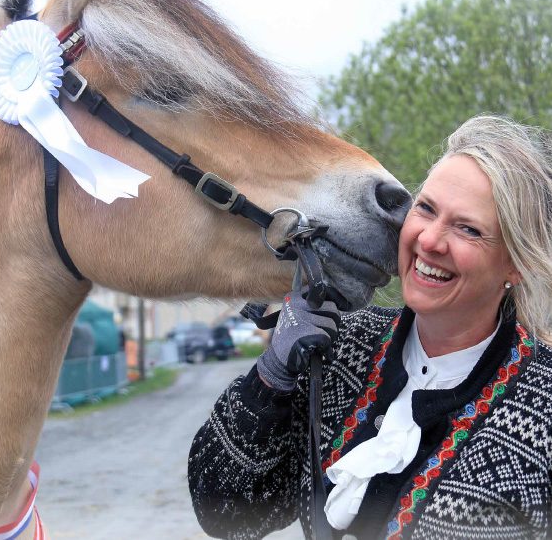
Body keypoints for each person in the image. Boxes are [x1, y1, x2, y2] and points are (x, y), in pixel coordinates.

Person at [188, 115, 552, 540]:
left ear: (516, 264)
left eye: (468, 229)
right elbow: (225, 513)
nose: (430, 240)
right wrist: (271, 377)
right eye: (427, 209)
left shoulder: (542, 410)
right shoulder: (343, 346)